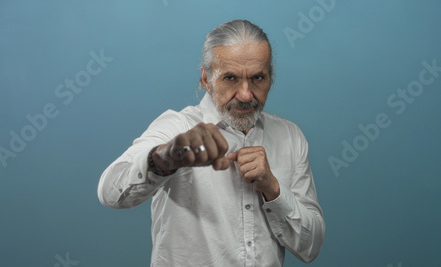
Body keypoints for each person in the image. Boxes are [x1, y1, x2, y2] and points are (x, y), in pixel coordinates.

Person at [97, 19, 325, 266]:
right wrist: (166, 158)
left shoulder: (290, 136)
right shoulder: (177, 128)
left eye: (258, 77)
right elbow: (110, 193)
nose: (246, 94)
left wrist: (273, 188)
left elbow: (310, 247)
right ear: (206, 79)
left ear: (271, 77)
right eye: (230, 78)